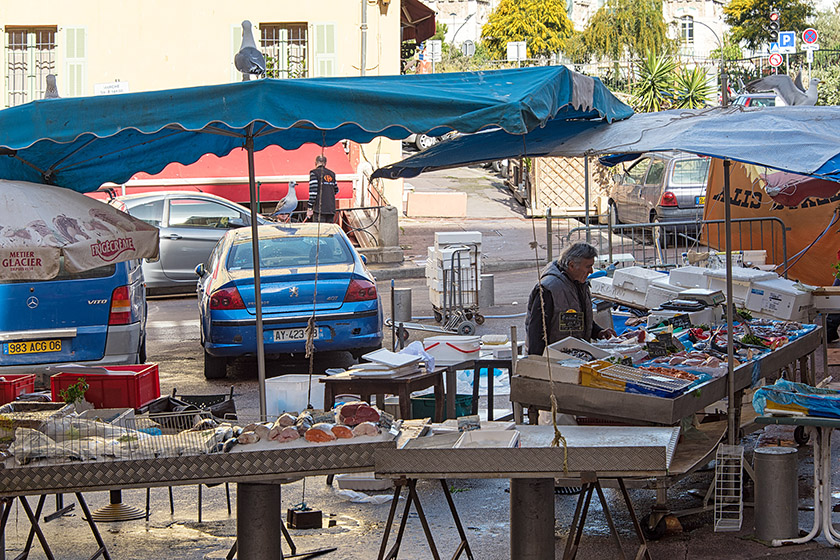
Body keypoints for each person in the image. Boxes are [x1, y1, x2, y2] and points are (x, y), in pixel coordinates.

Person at [526, 242, 616, 355]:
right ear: (571, 265)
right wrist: (537, 363)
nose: (591, 271)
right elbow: (536, 332)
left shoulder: (579, 283)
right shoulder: (548, 288)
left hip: (575, 356)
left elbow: (578, 319)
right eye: (588, 266)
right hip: (554, 359)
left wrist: (598, 332)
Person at [306, 155, 339, 223]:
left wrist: (310, 207)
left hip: (319, 209)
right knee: (329, 231)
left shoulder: (314, 173)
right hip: (331, 208)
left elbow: (313, 192)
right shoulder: (332, 174)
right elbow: (336, 190)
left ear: (315, 163)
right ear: (325, 163)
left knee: (319, 232)